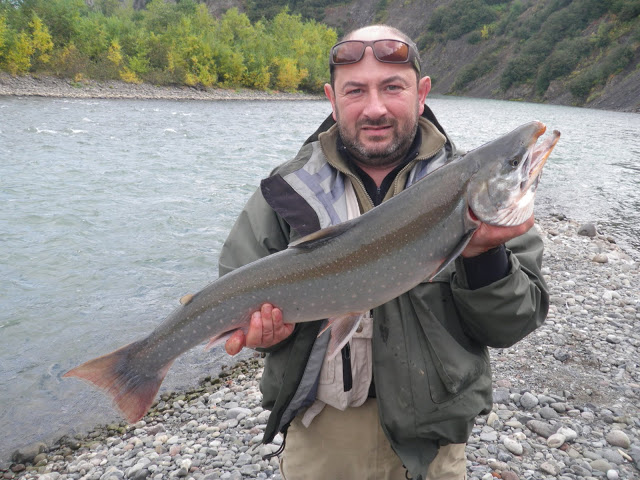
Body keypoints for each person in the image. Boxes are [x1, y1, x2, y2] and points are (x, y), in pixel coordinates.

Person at [218, 24, 549, 480]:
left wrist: (482, 256)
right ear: (332, 100)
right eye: (355, 90)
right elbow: (231, 299)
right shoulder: (287, 190)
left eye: (393, 87)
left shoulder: (480, 196)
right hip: (321, 436)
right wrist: (266, 335)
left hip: (432, 447)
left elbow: (513, 324)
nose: (375, 108)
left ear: (421, 93)